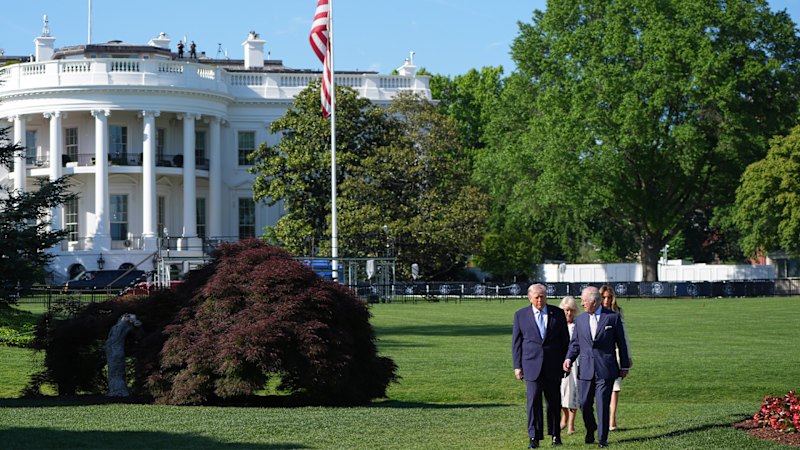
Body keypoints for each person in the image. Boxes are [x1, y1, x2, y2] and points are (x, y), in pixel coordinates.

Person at [563, 286, 630, 448]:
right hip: (586, 369)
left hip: (605, 369)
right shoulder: (580, 320)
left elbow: (621, 343)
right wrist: (568, 358)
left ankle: (602, 439)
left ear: (594, 301)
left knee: (602, 404)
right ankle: (591, 428)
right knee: (584, 403)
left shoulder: (612, 318)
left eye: (584, 301)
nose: (582, 304)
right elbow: (575, 344)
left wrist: (624, 366)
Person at [513, 284, 570, 448]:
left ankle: (555, 435)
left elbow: (565, 341)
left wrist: (566, 362)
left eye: (542, 296)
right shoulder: (520, 315)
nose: (540, 300)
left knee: (554, 401)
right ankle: (534, 437)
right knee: (533, 402)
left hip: (553, 365)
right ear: (530, 298)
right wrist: (517, 366)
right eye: (536, 297)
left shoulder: (557, 313)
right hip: (531, 365)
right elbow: (516, 343)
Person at [599, 285, 632, 431]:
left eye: (609, 297)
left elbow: (623, 337)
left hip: (617, 355)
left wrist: (627, 357)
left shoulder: (618, 312)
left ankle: (612, 419)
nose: (606, 300)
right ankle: (603, 417)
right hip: (601, 355)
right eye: (604, 297)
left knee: (615, 387)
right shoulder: (596, 312)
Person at [558, 296, 579, 435]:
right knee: (560, 391)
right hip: (560, 362)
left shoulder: (577, 326)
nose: (568, 313)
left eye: (571, 310)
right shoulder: (558, 325)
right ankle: (564, 417)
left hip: (575, 363)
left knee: (573, 391)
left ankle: (571, 423)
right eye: (566, 310)